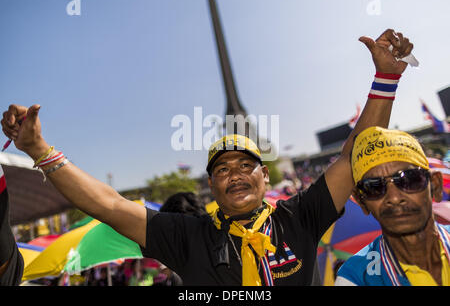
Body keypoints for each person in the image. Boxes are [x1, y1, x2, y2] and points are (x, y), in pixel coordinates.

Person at [0, 28, 414, 285]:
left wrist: (386, 79)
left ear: (265, 177)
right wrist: (39, 150)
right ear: (211, 185)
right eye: (222, 170)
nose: (234, 175)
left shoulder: (299, 217)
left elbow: (354, 155)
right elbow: (108, 204)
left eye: (245, 165)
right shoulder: (188, 235)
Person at [335, 127, 450, 286]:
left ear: (435, 185)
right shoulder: (355, 279)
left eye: (410, 180)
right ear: (362, 201)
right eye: (374, 187)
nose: (394, 198)